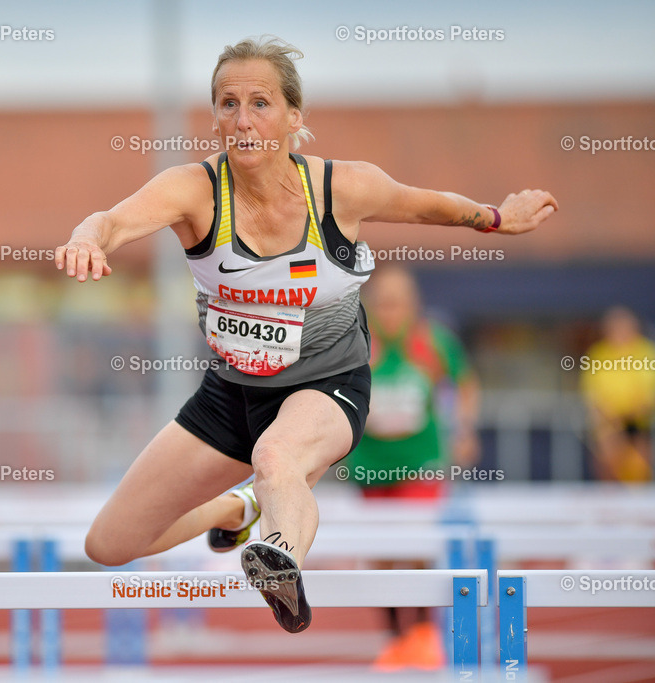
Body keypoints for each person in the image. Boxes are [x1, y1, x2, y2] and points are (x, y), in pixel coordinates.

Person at [55, 36, 557, 633]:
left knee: (276, 456)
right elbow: (112, 220)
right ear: (214, 117)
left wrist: (498, 218)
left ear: (295, 117)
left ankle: (280, 560)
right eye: (228, 104)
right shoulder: (194, 189)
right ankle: (238, 509)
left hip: (326, 382)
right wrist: (86, 238)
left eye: (260, 103)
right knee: (110, 543)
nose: (243, 121)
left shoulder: (342, 188)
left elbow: (429, 207)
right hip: (232, 391)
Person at [346, 265, 479, 669]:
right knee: (381, 553)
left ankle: (422, 631)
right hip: (370, 465)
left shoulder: (433, 341)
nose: (390, 312)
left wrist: (464, 429)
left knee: (418, 545)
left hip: (422, 463)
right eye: (383, 303)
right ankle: (394, 637)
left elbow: (466, 382)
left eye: (398, 303)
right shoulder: (356, 342)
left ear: (413, 304)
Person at [580, 306, 655, 482]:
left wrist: (637, 409)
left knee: (638, 464)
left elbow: (648, 389)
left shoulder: (646, 352)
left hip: (639, 419)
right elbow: (592, 391)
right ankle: (610, 492)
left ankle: (638, 493)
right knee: (608, 456)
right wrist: (608, 416)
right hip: (609, 421)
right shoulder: (599, 354)